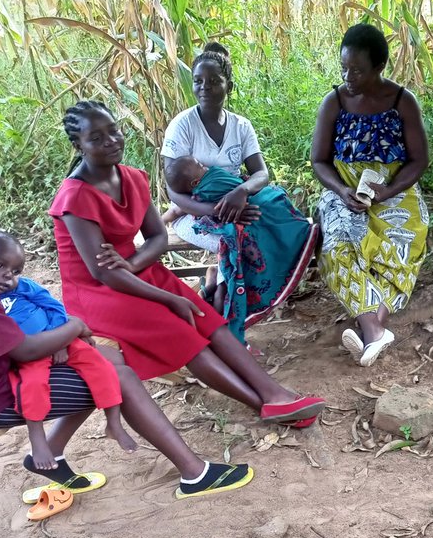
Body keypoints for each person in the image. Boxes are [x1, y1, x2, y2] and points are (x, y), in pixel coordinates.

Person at [0, 160, 253, 500]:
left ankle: (51, 448)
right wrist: (75, 326)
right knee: (117, 374)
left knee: (103, 356)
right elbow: (24, 351)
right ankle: (194, 474)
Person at [50, 99, 324, 430]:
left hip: (135, 271)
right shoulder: (75, 197)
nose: (111, 141)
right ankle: (263, 404)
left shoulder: (133, 178)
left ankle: (273, 392)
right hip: (99, 294)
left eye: (114, 130)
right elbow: (102, 274)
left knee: (208, 320)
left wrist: (130, 262)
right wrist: (166, 296)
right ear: (77, 145)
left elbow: (158, 238)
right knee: (182, 331)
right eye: (96, 137)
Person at [162, 42, 319, 344]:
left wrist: (242, 193)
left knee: (275, 217)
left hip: (238, 204)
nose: (204, 87)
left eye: (213, 81)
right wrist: (215, 210)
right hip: (195, 213)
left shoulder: (241, 126)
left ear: (228, 85)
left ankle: (221, 295)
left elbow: (261, 173)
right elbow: (175, 190)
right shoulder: (182, 127)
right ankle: (226, 313)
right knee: (234, 241)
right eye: (198, 81)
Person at [311, 23, 430, 367]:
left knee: (403, 244)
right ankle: (374, 329)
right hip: (343, 189)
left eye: (358, 70)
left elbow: (419, 160)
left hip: (394, 189)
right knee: (335, 246)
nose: (349, 76)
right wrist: (342, 190)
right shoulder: (333, 103)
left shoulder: (401, 102)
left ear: (380, 67)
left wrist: (390, 191)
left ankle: (370, 328)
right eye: (344, 67)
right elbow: (319, 161)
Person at [0, 229, 136, 470]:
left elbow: (54, 307)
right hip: (28, 355)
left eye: (15, 271)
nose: (8, 276)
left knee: (100, 366)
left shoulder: (23, 287)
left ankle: (113, 422)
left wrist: (60, 340)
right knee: (32, 385)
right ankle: (38, 439)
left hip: (60, 339)